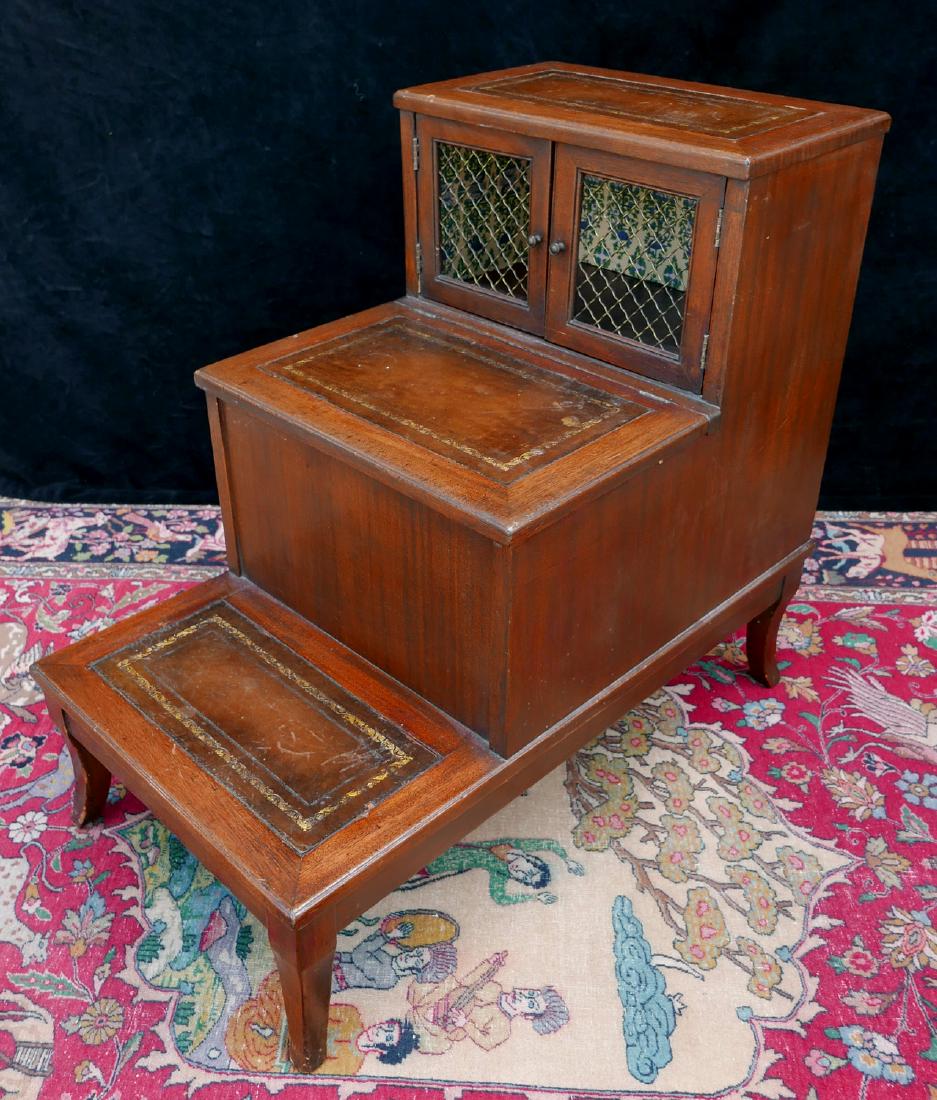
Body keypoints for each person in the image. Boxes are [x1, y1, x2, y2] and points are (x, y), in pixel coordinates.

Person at [400, 838, 584, 906]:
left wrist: (534, 898)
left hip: (431, 864)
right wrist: (567, 860)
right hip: (442, 841)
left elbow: (500, 898)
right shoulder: (520, 847)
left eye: (524, 879)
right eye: (529, 872)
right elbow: (549, 844)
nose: (520, 873)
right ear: (533, 861)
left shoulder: (502, 873)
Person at [332, 923, 457, 992]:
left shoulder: (387, 977)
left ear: (415, 971)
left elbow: (358, 955)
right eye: (417, 951)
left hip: (332, 978)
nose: (410, 956)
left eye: (417, 961)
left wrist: (389, 936)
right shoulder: (389, 960)